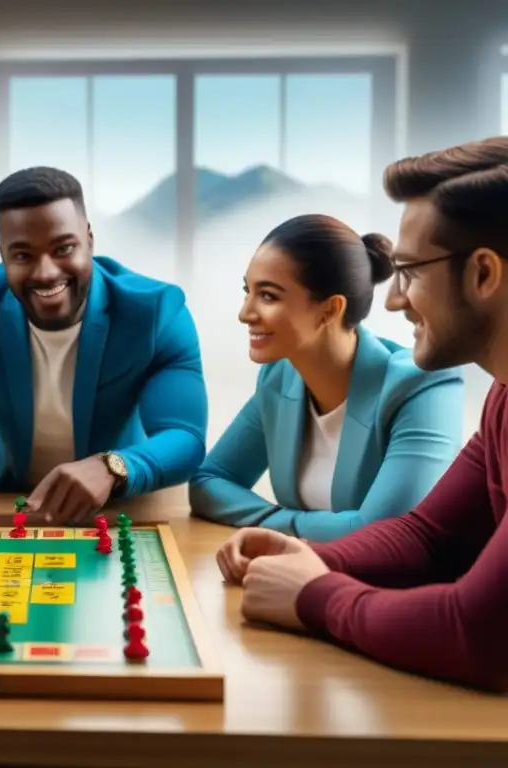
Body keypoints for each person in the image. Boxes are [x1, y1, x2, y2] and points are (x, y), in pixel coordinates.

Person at [216, 136, 508, 692]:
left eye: (411, 272)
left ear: (484, 274)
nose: (394, 300)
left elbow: (477, 634)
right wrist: (313, 555)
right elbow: (429, 534)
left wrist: (314, 596)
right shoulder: (502, 394)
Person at [0, 166, 209, 525]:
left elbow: (185, 437)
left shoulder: (156, 312)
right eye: (23, 255)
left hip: (119, 507)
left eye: (64, 248)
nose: (46, 273)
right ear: (2, 252)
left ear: (89, 240)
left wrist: (113, 467)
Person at [189, 214, 463, 542]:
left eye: (268, 296)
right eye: (248, 292)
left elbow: (377, 534)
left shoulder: (422, 387)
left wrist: (276, 531)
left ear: (331, 310)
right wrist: (278, 521)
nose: (245, 313)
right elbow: (208, 483)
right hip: (311, 578)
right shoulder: (278, 379)